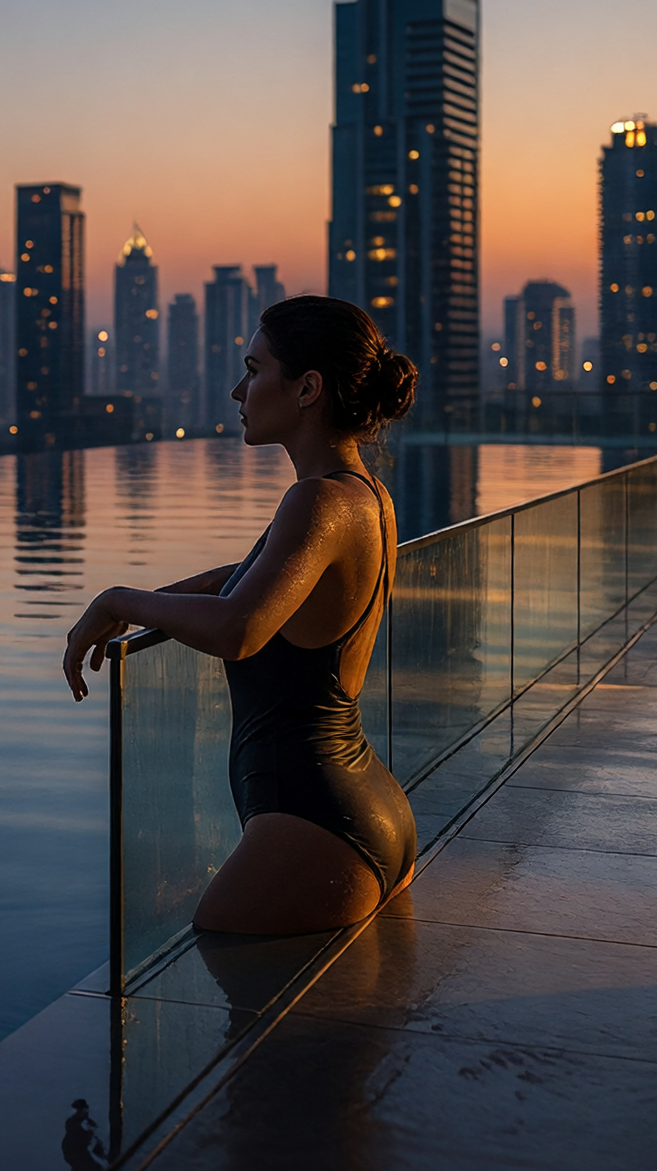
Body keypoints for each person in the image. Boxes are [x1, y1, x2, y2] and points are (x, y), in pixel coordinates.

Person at [60, 295, 418, 934]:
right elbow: (247, 584)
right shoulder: (365, 494)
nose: (237, 389)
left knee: (221, 1015)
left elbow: (240, 627)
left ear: (307, 388)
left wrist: (117, 599)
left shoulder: (317, 500)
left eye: (254, 369)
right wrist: (146, 608)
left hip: (313, 824)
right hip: (364, 803)